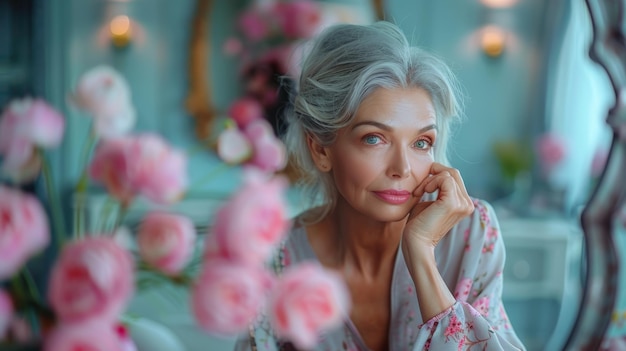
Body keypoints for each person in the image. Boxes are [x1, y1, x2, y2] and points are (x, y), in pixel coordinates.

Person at [236, 21, 526, 351]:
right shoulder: (277, 258)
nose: (402, 168)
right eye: (374, 138)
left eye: (421, 142)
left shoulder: (471, 231)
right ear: (320, 149)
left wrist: (421, 254)